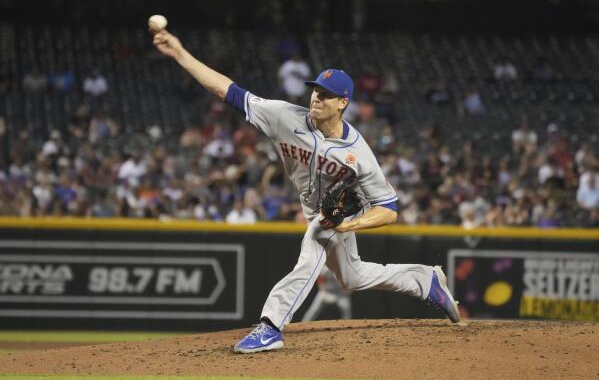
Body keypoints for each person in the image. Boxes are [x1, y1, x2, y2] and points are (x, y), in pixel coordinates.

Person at [152, 29, 461, 354]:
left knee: (313, 246)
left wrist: (348, 224)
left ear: (343, 103)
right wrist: (179, 53)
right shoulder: (284, 116)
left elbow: (389, 209)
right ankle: (425, 281)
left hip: (339, 215)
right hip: (317, 209)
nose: (316, 97)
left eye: (326, 94)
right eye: (315, 90)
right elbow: (226, 90)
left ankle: (271, 325)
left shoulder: (359, 155)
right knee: (351, 278)